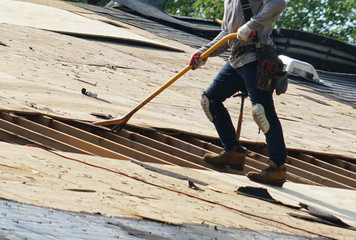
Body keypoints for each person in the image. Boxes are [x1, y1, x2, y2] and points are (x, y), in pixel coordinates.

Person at [189, 0, 288, 187]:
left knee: (262, 111)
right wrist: (204, 54)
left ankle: (277, 167)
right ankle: (232, 152)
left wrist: (252, 25)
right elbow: (227, 34)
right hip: (236, 59)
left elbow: (278, 3)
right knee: (210, 100)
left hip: (256, 57)